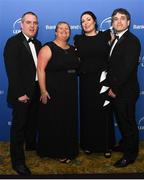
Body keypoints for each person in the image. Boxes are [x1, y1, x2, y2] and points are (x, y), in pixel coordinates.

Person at [3, 12, 41, 175]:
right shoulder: (13, 42)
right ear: (21, 24)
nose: (32, 26)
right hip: (22, 93)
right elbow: (12, 71)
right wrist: (19, 93)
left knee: (32, 122)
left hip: (36, 91)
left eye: (35, 23)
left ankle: (31, 146)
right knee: (18, 128)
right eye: (28, 22)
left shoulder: (38, 43)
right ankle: (17, 162)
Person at [74, 11, 115, 158]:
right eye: (82, 21)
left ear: (95, 21)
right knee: (88, 112)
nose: (85, 23)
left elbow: (114, 56)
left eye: (88, 19)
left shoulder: (106, 35)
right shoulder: (78, 39)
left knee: (104, 113)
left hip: (103, 81)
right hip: (86, 81)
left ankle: (106, 145)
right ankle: (89, 145)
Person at [36, 21, 79, 163]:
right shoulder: (48, 48)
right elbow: (40, 70)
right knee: (56, 121)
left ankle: (68, 149)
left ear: (69, 32)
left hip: (70, 92)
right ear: (55, 31)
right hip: (53, 91)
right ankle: (57, 151)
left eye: (67, 29)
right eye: (60, 28)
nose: (64, 31)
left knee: (68, 121)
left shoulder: (73, 49)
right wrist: (43, 90)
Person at [106, 8, 141, 167]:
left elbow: (127, 69)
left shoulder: (132, 40)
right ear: (112, 22)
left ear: (128, 22)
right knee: (121, 121)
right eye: (115, 19)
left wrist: (115, 88)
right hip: (117, 90)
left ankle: (130, 155)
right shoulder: (116, 39)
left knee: (128, 123)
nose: (118, 21)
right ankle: (125, 144)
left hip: (124, 91)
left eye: (122, 18)